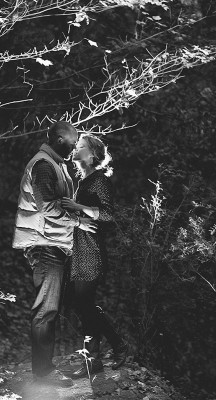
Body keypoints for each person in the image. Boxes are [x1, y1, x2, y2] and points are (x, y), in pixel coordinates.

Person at [12, 121, 97, 387]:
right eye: (73, 143)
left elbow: (56, 203)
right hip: (44, 245)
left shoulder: (56, 164)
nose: (74, 148)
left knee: (52, 308)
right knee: (45, 311)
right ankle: (44, 374)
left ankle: (47, 368)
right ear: (60, 140)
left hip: (52, 244)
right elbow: (48, 207)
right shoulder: (44, 165)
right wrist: (79, 222)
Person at [61, 133, 129, 379]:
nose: (74, 148)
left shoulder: (99, 181)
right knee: (80, 303)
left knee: (83, 304)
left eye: (79, 146)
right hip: (79, 252)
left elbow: (109, 216)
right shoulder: (84, 181)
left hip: (92, 253)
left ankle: (94, 360)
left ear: (90, 154)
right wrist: (76, 218)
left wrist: (79, 208)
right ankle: (117, 345)